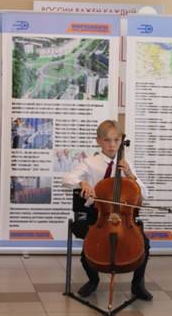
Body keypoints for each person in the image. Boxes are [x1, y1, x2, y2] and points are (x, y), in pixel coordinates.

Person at [63, 120, 153, 300]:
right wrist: (83, 183)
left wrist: (130, 175)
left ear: (121, 141)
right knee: (88, 250)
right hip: (97, 215)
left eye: (116, 140)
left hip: (123, 217)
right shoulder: (90, 163)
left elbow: (144, 194)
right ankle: (93, 280)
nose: (112, 145)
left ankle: (137, 285)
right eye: (107, 140)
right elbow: (67, 179)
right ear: (98, 141)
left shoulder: (126, 164)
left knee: (145, 244)